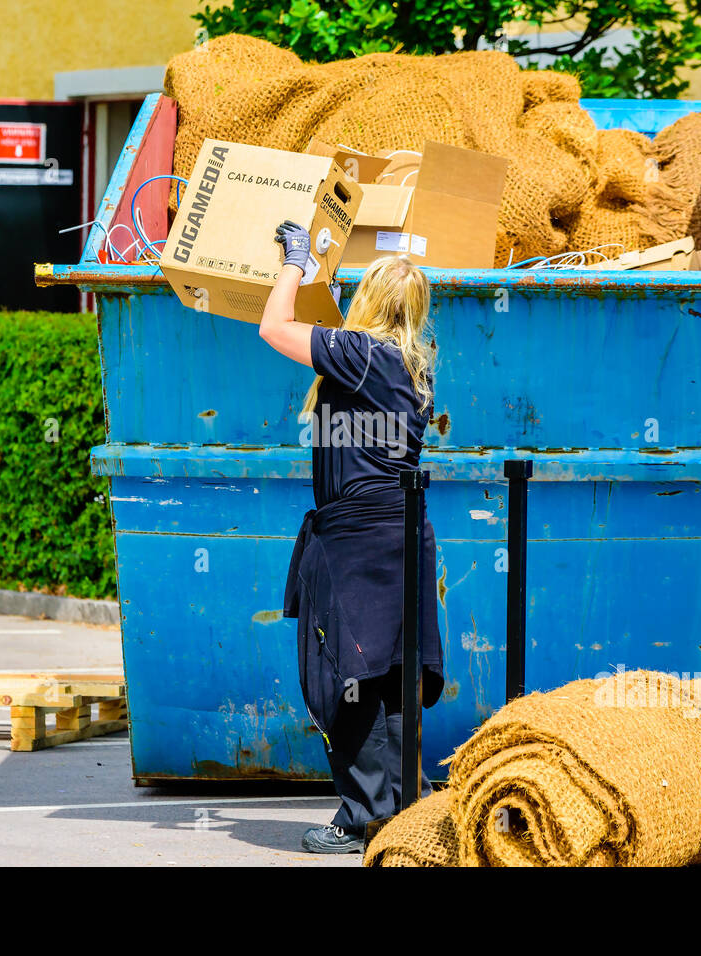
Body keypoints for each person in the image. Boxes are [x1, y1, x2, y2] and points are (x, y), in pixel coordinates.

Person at [260, 221, 444, 854]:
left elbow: (274, 328)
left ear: (369, 301)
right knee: (388, 677)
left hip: (360, 544)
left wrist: (292, 263)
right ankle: (392, 811)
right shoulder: (410, 368)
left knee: (347, 675)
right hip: (399, 536)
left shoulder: (360, 354)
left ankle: (362, 816)